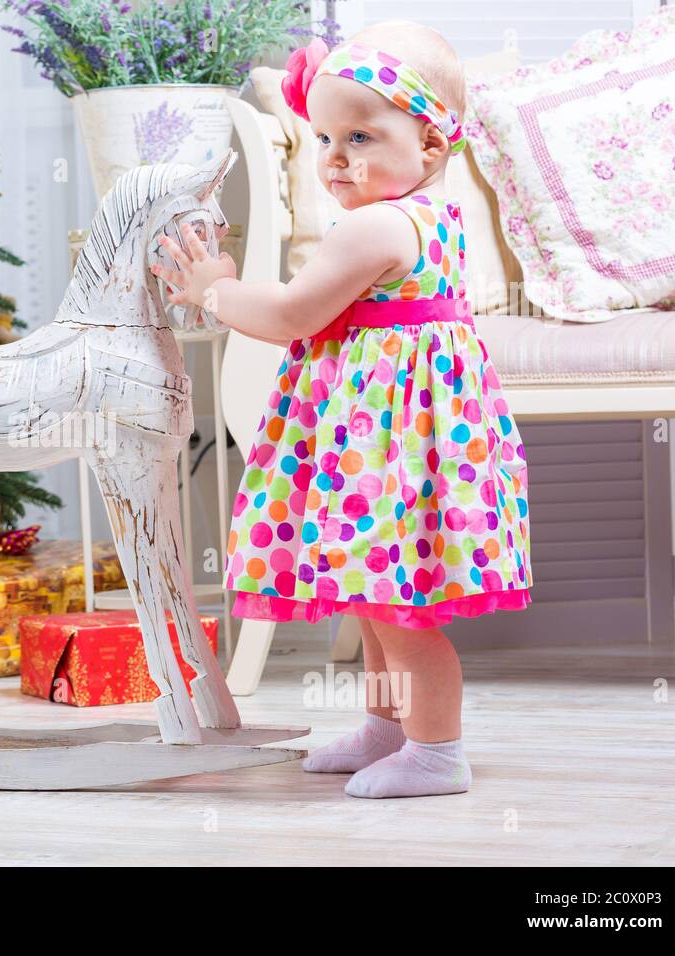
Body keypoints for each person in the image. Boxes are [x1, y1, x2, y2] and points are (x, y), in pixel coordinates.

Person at [151, 22, 532, 798]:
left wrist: (212, 291)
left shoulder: (377, 226)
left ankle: (435, 752)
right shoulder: (428, 217)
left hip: (386, 444)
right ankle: (389, 731)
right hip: (385, 438)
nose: (333, 158)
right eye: (323, 135)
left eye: (360, 135)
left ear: (430, 144)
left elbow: (292, 313)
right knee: (374, 601)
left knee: (401, 615)